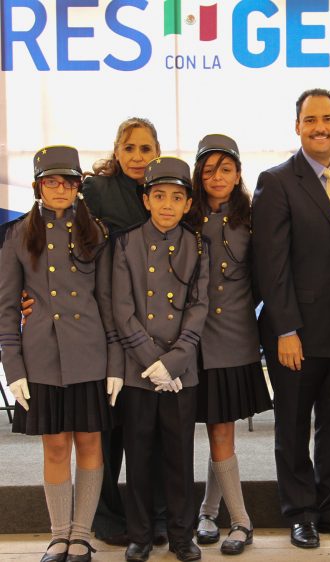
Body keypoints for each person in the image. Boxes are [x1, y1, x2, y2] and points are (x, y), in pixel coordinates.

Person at [251, 88, 330, 548]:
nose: (319, 127)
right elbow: (271, 264)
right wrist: (285, 328)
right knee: (294, 425)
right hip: (296, 334)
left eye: (327, 118)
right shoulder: (277, 181)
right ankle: (299, 512)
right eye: (310, 120)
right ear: (297, 127)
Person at [0, 146, 120, 562]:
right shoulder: (17, 234)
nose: (60, 188)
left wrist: (116, 362)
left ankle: (82, 535)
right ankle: (58, 535)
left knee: (89, 441)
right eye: (51, 181)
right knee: (54, 446)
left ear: (78, 186)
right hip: (41, 360)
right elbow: (7, 307)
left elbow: (107, 302)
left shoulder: (97, 232)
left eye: (68, 181)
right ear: (37, 186)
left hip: (90, 356)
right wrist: (12, 366)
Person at [111, 157, 209, 562]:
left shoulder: (196, 244)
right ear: (146, 199)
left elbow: (200, 306)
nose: (167, 204)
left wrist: (176, 360)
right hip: (139, 371)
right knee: (139, 455)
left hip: (180, 373)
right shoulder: (125, 243)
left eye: (177, 197)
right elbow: (121, 308)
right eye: (159, 196)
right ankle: (141, 534)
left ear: (188, 204)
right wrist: (153, 361)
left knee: (179, 457)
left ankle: (182, 535)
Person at [186, 134, 273, 555]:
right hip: (188, 343)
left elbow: (264, 279)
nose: (216, 176)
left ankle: (240, 521)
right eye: (208, 169)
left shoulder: (254, 219)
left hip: (234, 340)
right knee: (209, 427)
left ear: (238, 173)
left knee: (222, 428)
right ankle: (206, 510)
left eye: (225, 168)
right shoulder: (183, 216)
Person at [82, 117, 166, 547]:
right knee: (109, 427)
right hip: (104, 324)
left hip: (154, 330)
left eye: (145, 149)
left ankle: (153, 514)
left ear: (158, 152)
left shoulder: (166, 192)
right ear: (116, 152)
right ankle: (106, 517)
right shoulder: (93, 190)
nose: (137, 157)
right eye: (130, 148)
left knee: (147, 431)